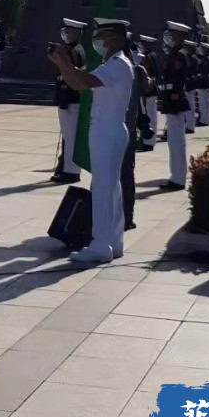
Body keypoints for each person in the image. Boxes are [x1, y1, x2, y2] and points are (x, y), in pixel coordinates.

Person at [49, 18, 134, 264]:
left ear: (115, 38)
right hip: (109, 130)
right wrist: (62, 63)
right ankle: (113, 242)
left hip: (108, 131)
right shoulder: (114, 64)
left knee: (103, 188)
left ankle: (100, 244)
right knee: (111, 187)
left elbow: (82, 82)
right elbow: (78, 83)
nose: (98, 41)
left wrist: (64, 61)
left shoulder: (117, 64)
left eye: (102, 36)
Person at [121, 40, 152, 230]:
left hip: (122, 130)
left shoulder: (135, 71)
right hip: (127, 130)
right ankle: (125, 217)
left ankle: (123, 216)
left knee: (120, 176)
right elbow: (148, 88)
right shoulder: (138, 70)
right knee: (125, 177)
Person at [52, 18, 87, 184]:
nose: (65, 34)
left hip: (71, 97)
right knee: (68, 136)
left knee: (71, 137)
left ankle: (72, 172)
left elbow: (72, 74)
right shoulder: (71, 49)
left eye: (69, 31)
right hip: (67, 97)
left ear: (77, 33)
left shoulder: (74, 51)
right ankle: (66, 169)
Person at [160, 21, 192, 191]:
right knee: (174, 141)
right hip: (171, 100)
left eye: (174, 34)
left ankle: (178, 178)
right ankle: (176, 176)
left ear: (181, 36)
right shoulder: (174, 53)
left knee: (177, 141)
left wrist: (175, 94)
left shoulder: (179, 54)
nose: (171, 37)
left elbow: (180, 77)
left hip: (175, 101)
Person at [139, 35, 159, 150]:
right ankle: (148, 140)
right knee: (151, 115)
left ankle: (149, 142)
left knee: (149, 116)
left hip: (148, 91)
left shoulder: (147, 57)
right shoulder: (153, 56)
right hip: (151, 90)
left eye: (143, 44)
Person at [196, 43, 209, 126]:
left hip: (204, 84)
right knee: (203, 103)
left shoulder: (206, 60)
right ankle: (204, 119)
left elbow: (207, 73)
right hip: (203, 84)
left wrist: (199, 75)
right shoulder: (204, 59)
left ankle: (204, 120)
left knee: (204, 103)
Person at [183, 40, 199, 134]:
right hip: (189, 84)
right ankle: (189, 125)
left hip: (190, 84)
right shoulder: (190, 57)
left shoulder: (192, 58)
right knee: (189, 106)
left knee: (190, 106)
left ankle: (190, 126)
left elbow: (192, 71)